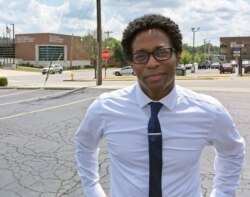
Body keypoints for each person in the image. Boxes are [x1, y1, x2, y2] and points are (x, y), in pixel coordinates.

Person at [75, 14, 245, 197]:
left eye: (161, 52)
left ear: (177, 55)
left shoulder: (209, 111)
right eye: (141, 56)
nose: (152, 63)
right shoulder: (105, 108)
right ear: (132, 63)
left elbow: (232, 151)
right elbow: (85, 145)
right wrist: (92, 190)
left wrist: (223, 192)